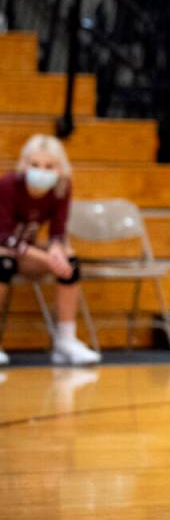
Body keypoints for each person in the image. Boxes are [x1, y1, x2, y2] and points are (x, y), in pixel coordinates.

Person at [0, 135, 100, 366]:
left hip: (25, 250)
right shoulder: (7, 186)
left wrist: (56, 252)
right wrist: (45, 256)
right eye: (35, 165)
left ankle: (66, 341)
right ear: (24, 164)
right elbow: (4, 237)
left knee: (69, 261)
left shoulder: (61, 188)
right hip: (5, 248)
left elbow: (57, 232)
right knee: (3, 263)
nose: (41, 171)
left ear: (60, 168)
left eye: (48, 166)